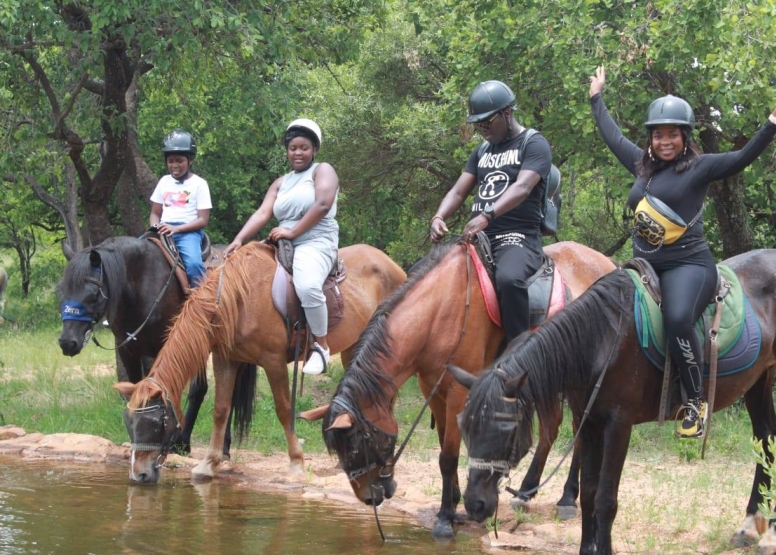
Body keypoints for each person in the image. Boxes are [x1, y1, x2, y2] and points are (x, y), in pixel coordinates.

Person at [588, 65, 776, 438]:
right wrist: (597, 99)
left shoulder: (701, 167)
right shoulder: (641, 166)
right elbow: (612, 136)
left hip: (689, 266)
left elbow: (741, 158)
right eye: (659, 135)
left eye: (673, 134)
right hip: (643, 267)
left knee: (677, 319)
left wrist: (771, 124)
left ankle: (695, 402)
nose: (665, 141)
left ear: (685, 136)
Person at [430, 80, 552, 351]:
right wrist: (438, 216)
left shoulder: (534, 143)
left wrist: (488, 214)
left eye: (487, 122)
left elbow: (522, 187)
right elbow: (459, 191)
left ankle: (518, 354)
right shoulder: (482, 151)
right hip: (477, 238)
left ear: (507, 113)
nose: (482, 129)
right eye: (477, 124)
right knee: (423, 271)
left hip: (517, 236)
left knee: (510, 281)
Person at [224, 119, 339, 376]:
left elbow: (322, 204)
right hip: (284, 241)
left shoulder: (323, 171)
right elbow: (263, 213)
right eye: (293, 147)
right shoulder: (281, 182)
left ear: (314, 149)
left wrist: (293, 231)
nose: (298, 152)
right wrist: (239, 239)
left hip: (315, 239)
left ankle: (321, 346)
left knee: (307, 285)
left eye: (304, 147)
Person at [150, 129, 212, 288]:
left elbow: (203, 220)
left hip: (188, 232)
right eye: (170, 161)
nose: (174, 165)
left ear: (189, 160)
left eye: (179, 161)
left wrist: (177, 229)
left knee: (193, 264)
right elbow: (155, 213)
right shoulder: (164, 181)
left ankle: (201, 300)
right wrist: (156, 227)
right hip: (163, 230)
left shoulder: (199, 184)